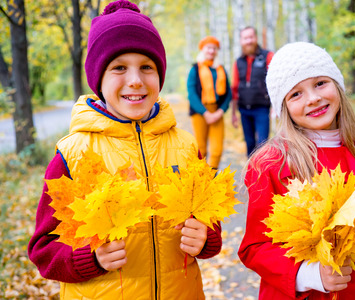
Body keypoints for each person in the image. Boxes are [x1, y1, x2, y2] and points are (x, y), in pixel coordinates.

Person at [28, 1, 222, 299]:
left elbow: (210, 224)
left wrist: (206, 239)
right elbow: (43, 251)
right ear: (99, 81)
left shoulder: (186, 147)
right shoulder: (73, 155)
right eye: (119, 68)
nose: (135, 80)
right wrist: (89, 258)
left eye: (147, 67)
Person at [238, 42, 355, 299]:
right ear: (283, 108)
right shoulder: (271, 164)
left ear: (337, 85)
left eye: (320, 83)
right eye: (296, 94)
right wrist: (310, 274)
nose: (313, 98)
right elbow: (255, 247)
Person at [187, 36, 231, 169]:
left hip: (217, 111)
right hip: (199, 112)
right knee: (201, 149)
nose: (211, 51)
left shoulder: (221, 69)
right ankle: (201, 181)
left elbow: (228, 94)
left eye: (214, 48)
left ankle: (211, 178)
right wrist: (205, 113)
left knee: (217, 150)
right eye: (208, 48)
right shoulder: (195, 69)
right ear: (203, 49)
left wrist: (220, 112)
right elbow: (191, 93)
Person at [231, 26, 274, 157]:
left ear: (256, 38)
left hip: (262, 109)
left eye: (251, 37)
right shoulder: (238, 62)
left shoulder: (268, 56)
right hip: (244, 110)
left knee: (262, 145)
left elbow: (275, 82)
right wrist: (233, 113)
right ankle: (251, 175)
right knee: (249, 145)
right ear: (241, 41)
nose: (248, 41)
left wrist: (275, 107)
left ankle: (263, 175)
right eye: (245, 38)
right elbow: (234, 88)